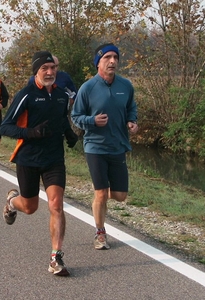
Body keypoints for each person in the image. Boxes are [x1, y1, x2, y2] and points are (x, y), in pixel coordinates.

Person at [0, 51, 78, 276]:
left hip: (54, 159)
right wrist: (30, 132)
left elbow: (61, 118)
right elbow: (6, 126)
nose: (50, 72)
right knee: (31, 207)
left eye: (53, 68)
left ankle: (56, 257)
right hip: (29, 159)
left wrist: (69, 133)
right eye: (45, 68)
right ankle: (12, 203)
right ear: (36, 71)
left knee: (56, 205)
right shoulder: (27, 95)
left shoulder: (62, 95)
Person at [71, 43, 138, 250]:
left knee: (120, 196)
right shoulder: (87, 88)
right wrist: (92, 121)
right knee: (101, 193)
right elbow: (75, 116)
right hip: (95, 147)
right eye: (107, 57)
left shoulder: (125, 85)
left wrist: (132, 121)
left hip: (118, 146)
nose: (113, 61)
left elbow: (131, 108)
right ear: (98, 62)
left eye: (115, 57)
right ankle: (100, 233)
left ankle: (99, 193)